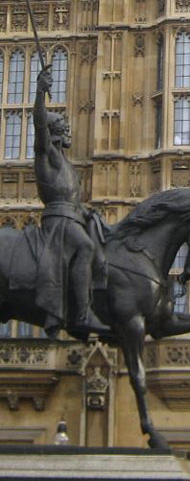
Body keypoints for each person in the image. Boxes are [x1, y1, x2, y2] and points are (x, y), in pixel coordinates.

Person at [33, 66, 109, 335]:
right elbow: (39, 124)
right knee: (86, 248)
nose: (68, 133)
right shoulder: (47, 155)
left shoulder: (66, 165)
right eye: (64, 129)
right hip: (58, 221)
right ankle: (83, 313)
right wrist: (41, 91)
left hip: (72, 217)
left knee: (102, 246)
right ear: (54, 132)